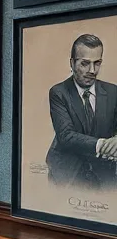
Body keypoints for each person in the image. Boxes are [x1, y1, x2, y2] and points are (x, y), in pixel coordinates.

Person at [46, 33, 117, 189]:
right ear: (72, 63)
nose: (92, 70)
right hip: (67, 173)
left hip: (105, 174)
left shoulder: (113, 92)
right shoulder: (59, 92)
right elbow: (66, 136)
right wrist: (102, 144)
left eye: (97, 63)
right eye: (85, 63)